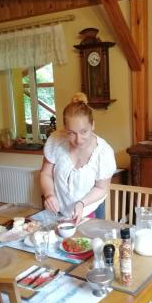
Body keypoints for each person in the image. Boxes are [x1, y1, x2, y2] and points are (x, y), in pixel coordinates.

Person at [40, 92, 116, 223]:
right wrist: (50, 195)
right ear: (65, 129)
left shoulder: (104, 153)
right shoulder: (56, 141)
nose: (78, 140)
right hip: (59, 212)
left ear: (93, 125)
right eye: (71, 133)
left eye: (84, 131)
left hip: (91, 212)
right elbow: (46, 174)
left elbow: (102, 188)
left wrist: (82, 203)